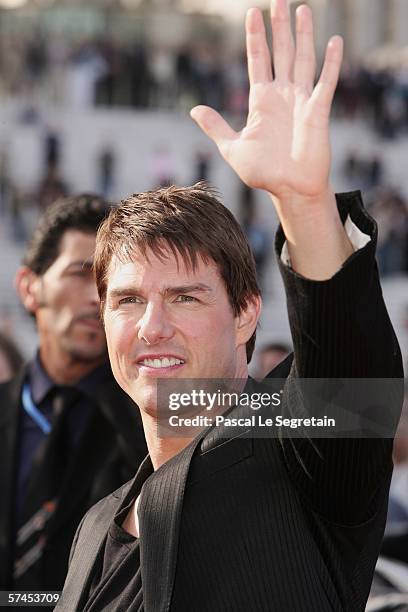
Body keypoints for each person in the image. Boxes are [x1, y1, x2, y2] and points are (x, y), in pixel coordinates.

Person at [59, 2, 403, 611]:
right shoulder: (93, 530)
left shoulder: (296, 450)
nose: (152, 326)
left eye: (185, 297)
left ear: (246, 312)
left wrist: (303, 204)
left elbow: (353, 393)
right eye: (128, 299)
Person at [0, 194, 147, 594]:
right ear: (29, 288)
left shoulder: (150, 421)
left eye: (107, 278)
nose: (96, 296)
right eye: (81, 273)